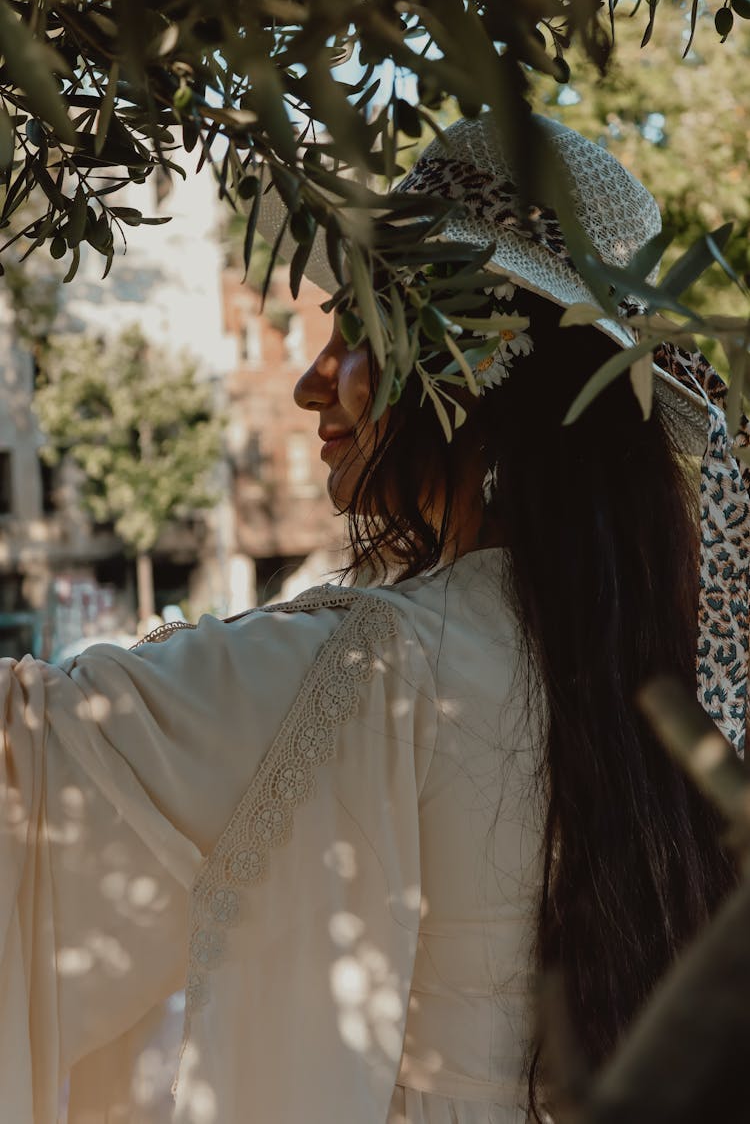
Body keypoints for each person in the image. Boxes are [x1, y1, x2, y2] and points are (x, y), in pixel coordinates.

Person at [0, 113, 742, 1124]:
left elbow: (31, 768)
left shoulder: (379, 667)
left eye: (357, 330)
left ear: (481, 367)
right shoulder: (679, 672)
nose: (312, 377)